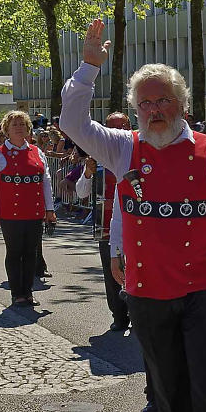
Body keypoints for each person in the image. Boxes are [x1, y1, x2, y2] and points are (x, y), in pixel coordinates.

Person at [61, 19, 206, 412]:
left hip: (203, 286)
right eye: (144, 103)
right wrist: (88, 66)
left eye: (162, 100)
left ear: (182, 104)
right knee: (166, 382)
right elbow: (71, 122)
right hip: (147, 288)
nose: (153, 110)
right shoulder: (122, 149)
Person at [0, 110, 55, 309]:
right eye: (14, 125)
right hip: (9, 214)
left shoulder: (36, 151)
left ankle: (28, 291)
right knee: (15, 252)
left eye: (22, 124)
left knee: (31, 252)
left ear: (28, 129)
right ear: (6, 129)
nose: (18, 128)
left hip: (34, 212)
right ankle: (17, 293)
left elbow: (45, 182)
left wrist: (50, 209)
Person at [75, 112, 134, 335]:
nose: (118, 130)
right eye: (113, 127)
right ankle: (119, 316)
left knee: (140, 271)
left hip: (139, 225)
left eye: (122, 125)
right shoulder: (97, 156)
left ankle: (139, 315)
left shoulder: (139, 152)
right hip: (106, 225)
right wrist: (88, 174)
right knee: (113, 273)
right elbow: (81, 193)